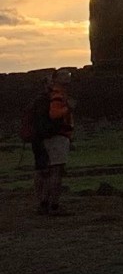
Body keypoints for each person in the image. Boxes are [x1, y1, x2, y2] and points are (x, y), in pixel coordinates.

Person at [26, 75, 74, 216]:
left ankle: (43, 203)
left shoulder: (42, 99)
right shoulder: (57, 97)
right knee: (55, 171)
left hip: (42, 137)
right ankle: (53, 205)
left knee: (43, 171)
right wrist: (68, 109)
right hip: (56, 136)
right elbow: (54, 115)